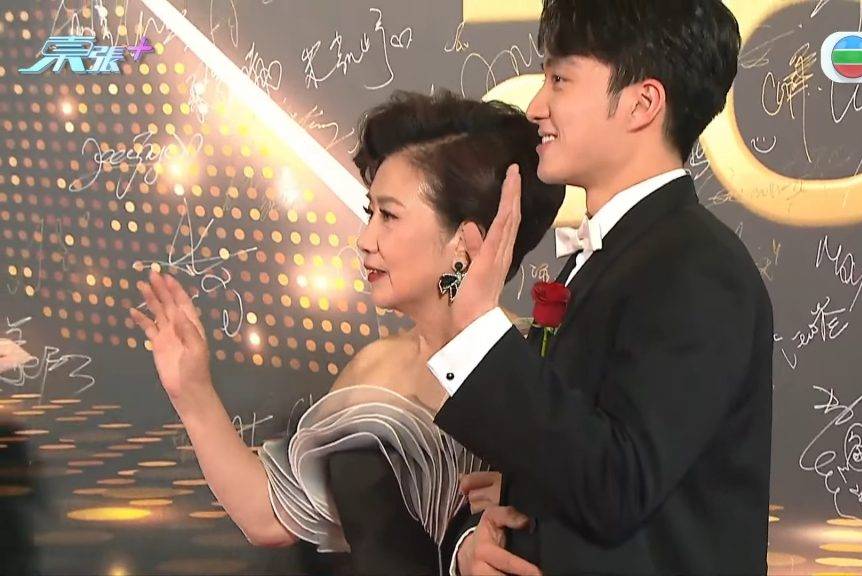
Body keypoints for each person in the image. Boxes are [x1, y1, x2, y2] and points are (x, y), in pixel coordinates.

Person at [128, 90, 564, 575]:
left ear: (464, 240)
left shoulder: (544, 362)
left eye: (389, 216)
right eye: (369, 213)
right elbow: (269, 517)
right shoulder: (375, 367)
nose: (364, 240)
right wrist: (191, 390)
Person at [426, 1, 774, 574]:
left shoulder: (697, 266)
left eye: (560, 80)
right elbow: (591, 456)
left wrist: (478, 331)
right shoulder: (617, 254)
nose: (536, 107)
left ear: (642, 104)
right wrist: (499, 515)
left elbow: (620, 483)